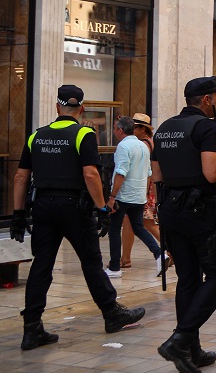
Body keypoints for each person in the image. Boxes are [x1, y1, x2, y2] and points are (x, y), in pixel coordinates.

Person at [10, 85, 145, 350]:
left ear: (56, 106)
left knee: (42, 265)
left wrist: (17, 214)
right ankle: (111, 313)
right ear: (81, 108)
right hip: (74, 207)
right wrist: (102, 209)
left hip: (43, 208)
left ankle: (32, 327)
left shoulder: (36, 136)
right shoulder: (83, 133)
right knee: (91, 263)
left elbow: (20, 176)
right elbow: (91, 175)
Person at [153, 76, 216, 373]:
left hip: (171, 209)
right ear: (205, 100)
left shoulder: (164, 128)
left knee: (187, 277)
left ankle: (191, 349)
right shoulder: (206, 127)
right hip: (200, 210)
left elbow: (157, 174)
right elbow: (212, 173)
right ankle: (181, 339)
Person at [105, 115, 163, 278]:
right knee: (138, 227)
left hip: (124, 194)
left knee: (115, 229)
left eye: (115, 128)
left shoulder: (124, 146)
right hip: (139, 194)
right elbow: (149, 172)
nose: (114, 131)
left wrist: (112, 196)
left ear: (120, 130)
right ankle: (159, 254)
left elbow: (121, 172)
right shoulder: (143, 146)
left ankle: (115, 267)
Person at [121, 113, 164, 270]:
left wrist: (144, 193)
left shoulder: (144, 144)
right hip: (145, 189)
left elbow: (145, 171)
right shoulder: (148, 142)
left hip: (142, 190)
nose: (132, 130)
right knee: (136, 223)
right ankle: (125, 258)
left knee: (145, 224)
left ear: (142, 129)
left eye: (135, 127)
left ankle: (170, 252)